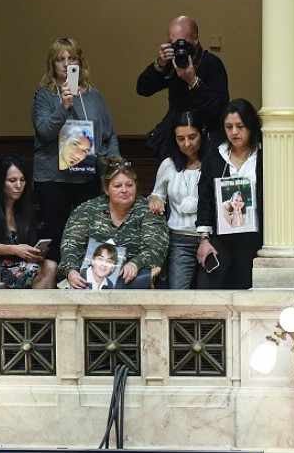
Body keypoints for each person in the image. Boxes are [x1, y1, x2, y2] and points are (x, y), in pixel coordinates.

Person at [33, 37, 119, 271]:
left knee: (91, 234)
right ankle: (58, 282)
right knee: (58, 235)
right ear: (52, 65)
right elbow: (45, 131)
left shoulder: (94, 95)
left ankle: (85, 282)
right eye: (60, 59)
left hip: (87, 176)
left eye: (71, 58)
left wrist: (116, 167)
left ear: (80, 62)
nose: (66, 63)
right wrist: (64, 105)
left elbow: (109, 133)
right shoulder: (44, 95)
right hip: (54, 179)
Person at [58, 157, 168, 290]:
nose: (124, 190)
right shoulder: (87, 210)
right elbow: (71, 246)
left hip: (133, 276)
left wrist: (135, 264)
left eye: (129, 185)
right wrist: (71, 271)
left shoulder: (148, 210)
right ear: (106, 189)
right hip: (91, 277)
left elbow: (155, 249)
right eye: (117, 186)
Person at [137, 15, 230, 160]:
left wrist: (193, 81)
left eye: (182, 43)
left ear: (195, 39)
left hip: (207, 140)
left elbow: (220, 109)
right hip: (177, 141)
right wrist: (160, 64)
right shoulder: (171, 64)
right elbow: (143, 89)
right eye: (172, 43)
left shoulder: (211, 63)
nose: (178, 48)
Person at [197, 98, 264, 290]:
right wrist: (204, 239)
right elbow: (205, 199)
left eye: (240, 126)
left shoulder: (264, 155)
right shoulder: (215, 156)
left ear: (250, 126)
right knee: (207, 287)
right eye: (229, 127)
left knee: (248, 290)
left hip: (254, 237)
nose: (234, 132)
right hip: (222, 236)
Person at [148, 111, 205, 289]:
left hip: (208, 238)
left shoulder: (213, 161)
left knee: (211, 292)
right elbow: (157, 194)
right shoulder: (169, 164)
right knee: (177, 292)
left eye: (192, 137)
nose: (187, 144)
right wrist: (155, 199)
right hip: (179, 238)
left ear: (202, 132)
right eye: (181, 139)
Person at [0, 156, 54, 289]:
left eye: (22, 180)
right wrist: (15, 249)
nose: (18, 186)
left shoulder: (26, 207)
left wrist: (36, 253)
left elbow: (31, 242)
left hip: (22, 264)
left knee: (50, 266)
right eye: (12, 181)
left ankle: (37, 308)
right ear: (0, 182)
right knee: (46, 269)